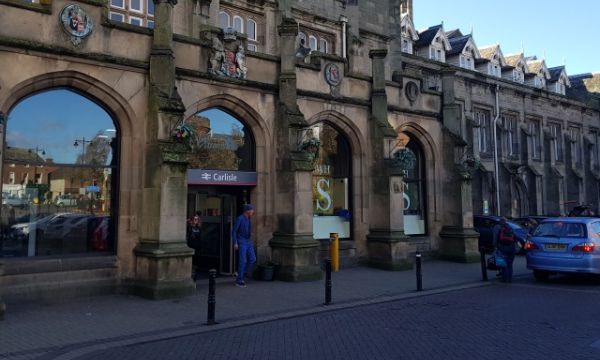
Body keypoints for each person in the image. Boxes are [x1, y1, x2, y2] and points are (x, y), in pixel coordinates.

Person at [232, 204, 256, 287]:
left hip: (248, 241)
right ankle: (239, 281)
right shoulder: (240, 218)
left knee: (253, 259)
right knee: (243, 261)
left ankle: (239, 273)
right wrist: (235, 242)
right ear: (247, 211)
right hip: (241, 241)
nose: (253, 211)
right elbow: (234, 231)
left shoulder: (249, 219)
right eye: (252, 210)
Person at [493, 218, 518, 283]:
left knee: (503, 263)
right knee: (510, 264)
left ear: (500, 222)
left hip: (502, 247)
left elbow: (495, 238)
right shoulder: (510, 227)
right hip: (512, 247)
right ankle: (510, 279)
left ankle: (505, 279)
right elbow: (515, 237)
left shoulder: (497, 227)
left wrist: (495, 246)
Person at [186, 212, 202, 281]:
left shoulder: (199, 228)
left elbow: (200, 237)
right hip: (191, 245)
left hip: (197, 246)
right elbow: (188, 236)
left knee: (196, 261)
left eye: (197, 219)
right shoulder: (189, 227)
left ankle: (194, 275)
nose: (196, 221)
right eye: (195, 219)